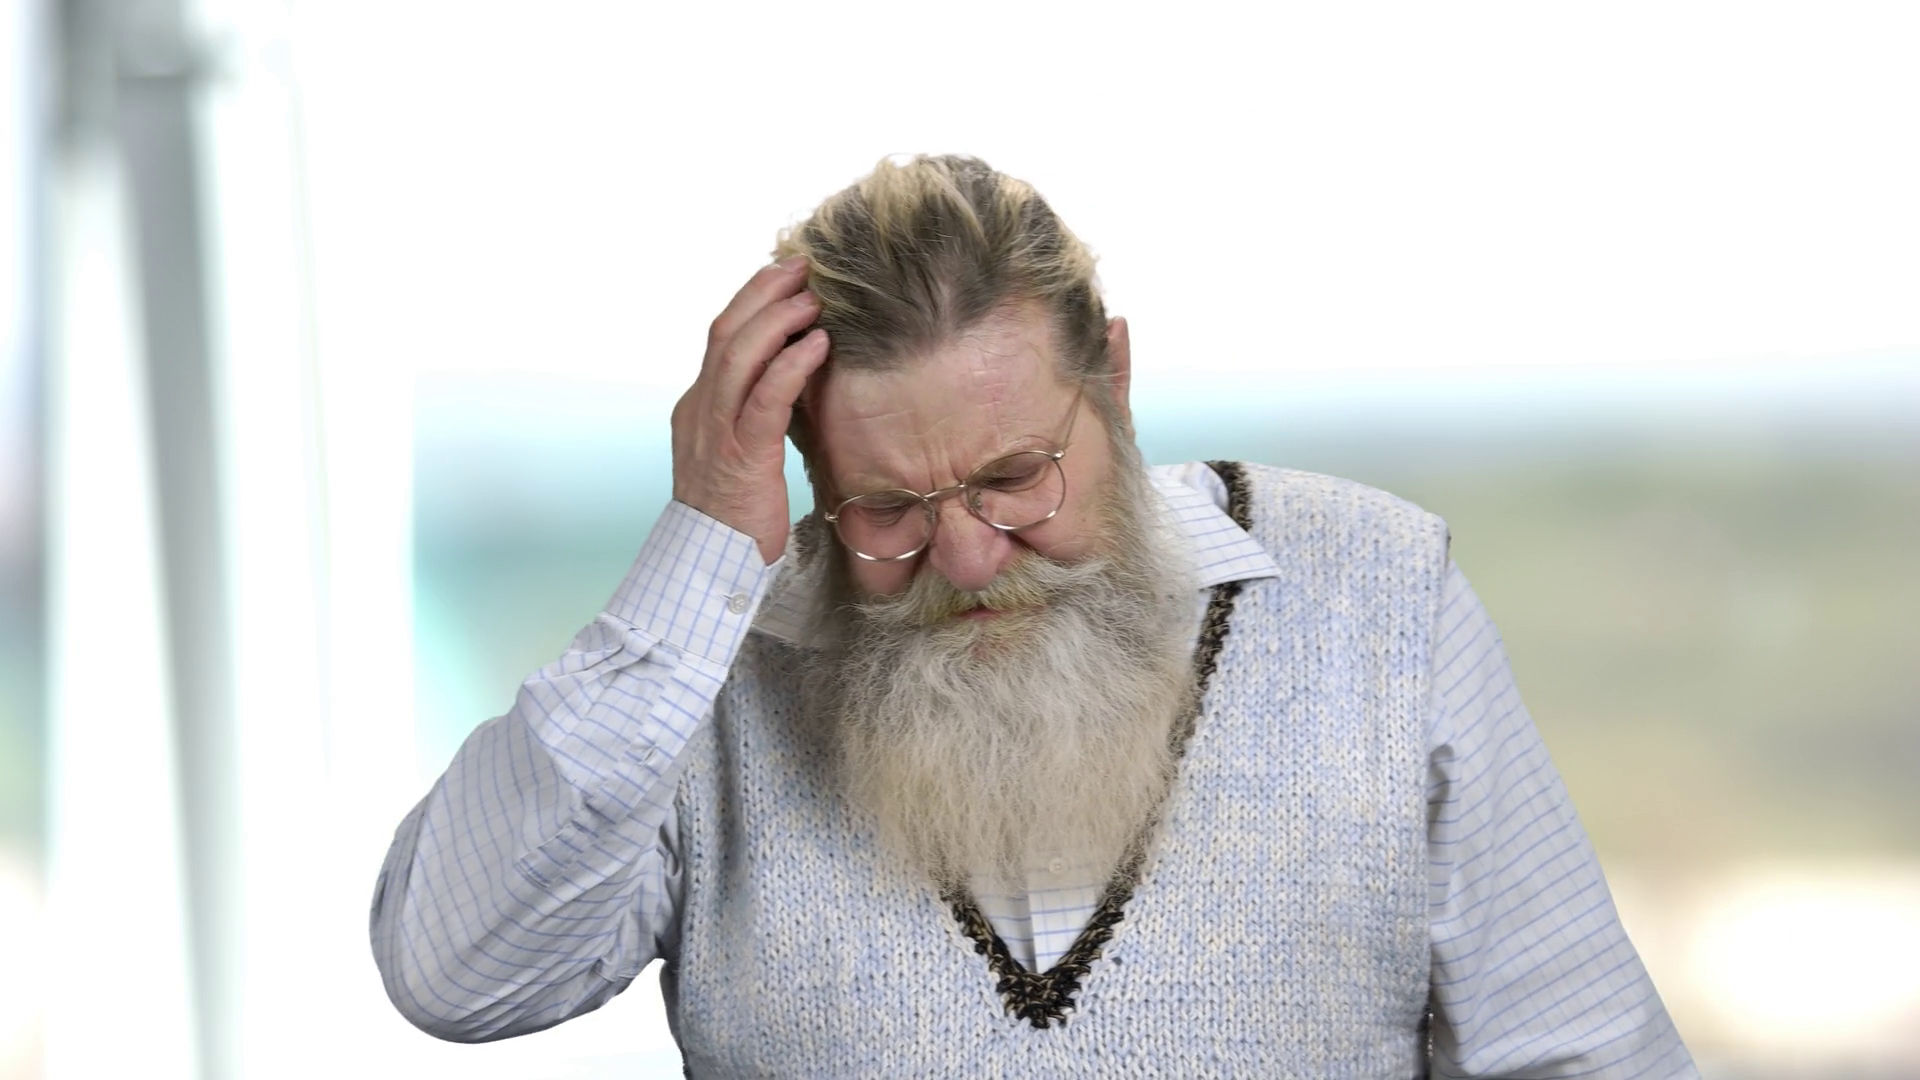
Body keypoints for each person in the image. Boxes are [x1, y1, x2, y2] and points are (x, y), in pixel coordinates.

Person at [370, 154, 1697, 1077]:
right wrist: (703, 540)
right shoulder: (705, 667)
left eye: (1014, 477)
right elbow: (453, 978)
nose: (964, 555)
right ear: (806, 470)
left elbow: (1584, 1059)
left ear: (1111, 379)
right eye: (884, 505)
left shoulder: (1379, 591)